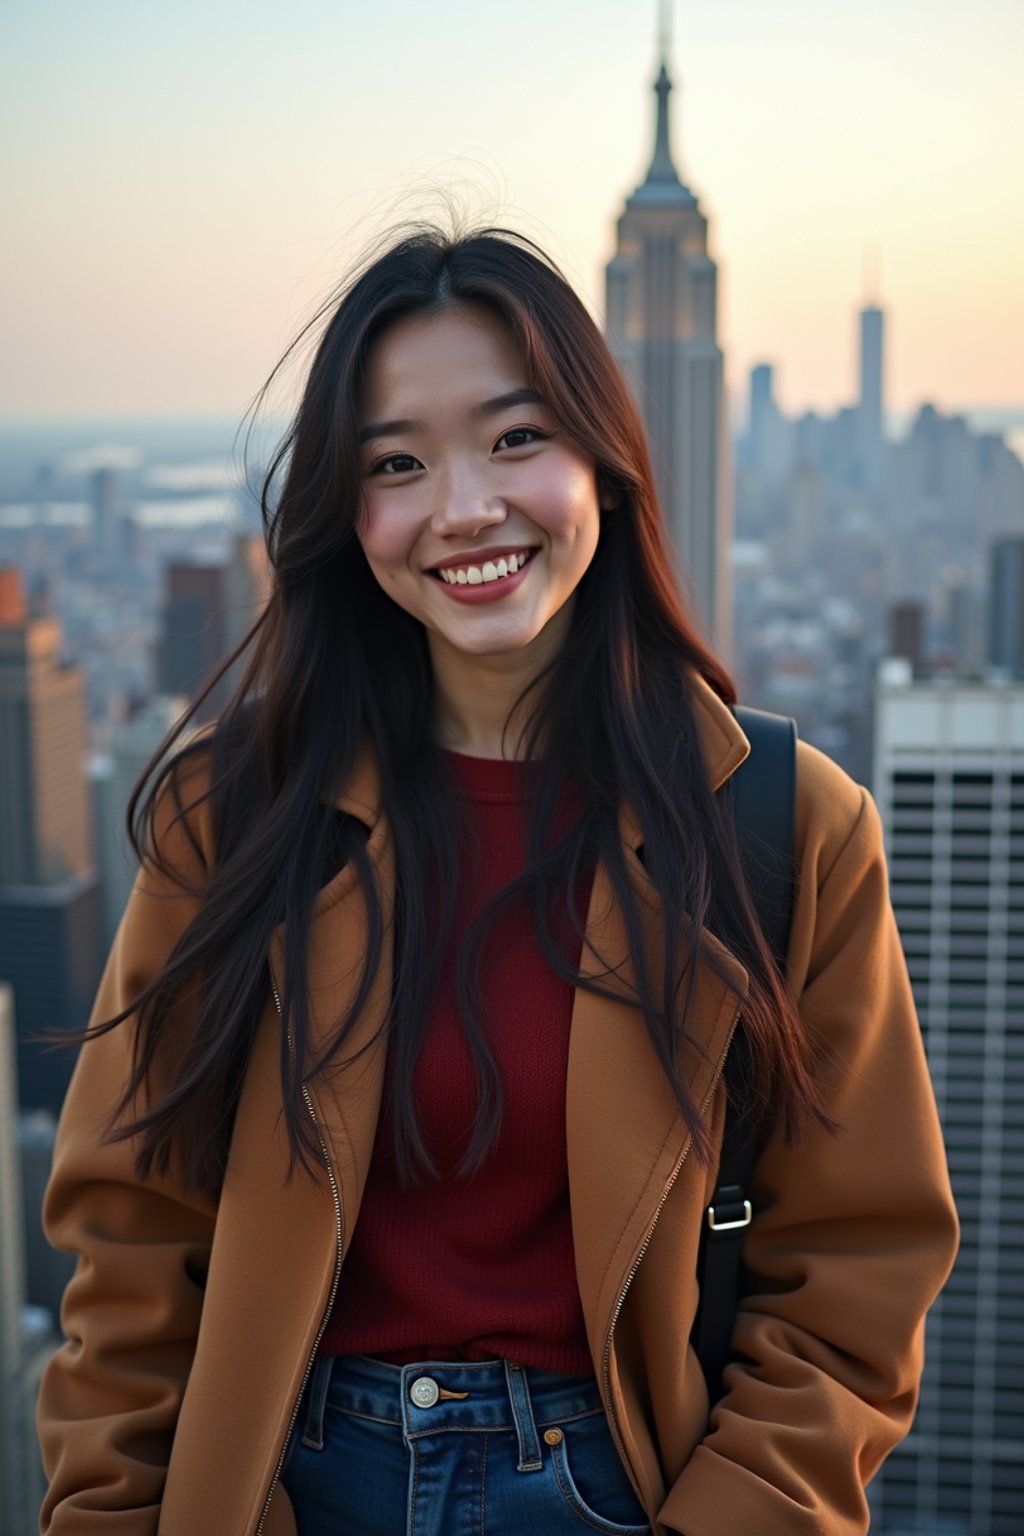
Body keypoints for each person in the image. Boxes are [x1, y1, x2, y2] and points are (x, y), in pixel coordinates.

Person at [37, 225, 958, 1536]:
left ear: (607, 459)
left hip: (619, 1492)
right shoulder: (229, 817)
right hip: (277, 1487)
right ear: (345, 515)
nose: (462, 507)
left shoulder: (781, 824)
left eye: (515, 439)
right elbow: (128, 1250)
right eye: (397, 464)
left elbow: (855, 1278)